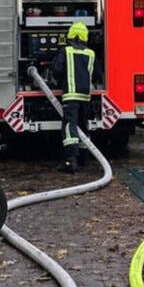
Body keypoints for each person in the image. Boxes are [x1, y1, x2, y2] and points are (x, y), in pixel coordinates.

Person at [50, 21, 101, 173]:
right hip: (85, 96)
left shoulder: (66, 52)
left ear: (70, 36)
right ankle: (84, 158)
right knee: (83, 125)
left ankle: (70, 160)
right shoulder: (91, 54)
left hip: (70, 96)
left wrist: (57, 81)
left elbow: (57, 70)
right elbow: (98, 75)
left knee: (69, 126)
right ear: (85, 37)